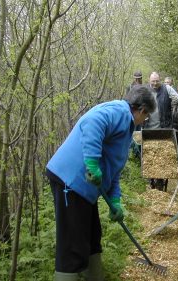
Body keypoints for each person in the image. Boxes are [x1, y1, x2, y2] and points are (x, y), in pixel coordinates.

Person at [46, 85, 156, 281]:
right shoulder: (118, 111)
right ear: (141, 110)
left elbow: (113, 170)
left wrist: (115, 201)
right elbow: (92, 122)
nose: (144, 121)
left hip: (85, 189)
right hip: (71, 181)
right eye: (146, 117)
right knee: (73, 245)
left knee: (92, 237)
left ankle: (96, 277)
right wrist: (91, 162)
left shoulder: (127, 127)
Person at [144, 72, 178, 190]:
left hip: (164, 128)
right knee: (150, 156)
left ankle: (160, 181)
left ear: (160, 80)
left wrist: (174, 107)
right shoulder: (145, 90)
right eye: (153, 81)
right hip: (149, 129)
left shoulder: (167, 88)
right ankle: (151, 180)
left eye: (157, 81)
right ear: (149, 80)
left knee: (163, 156)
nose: (155, 83)